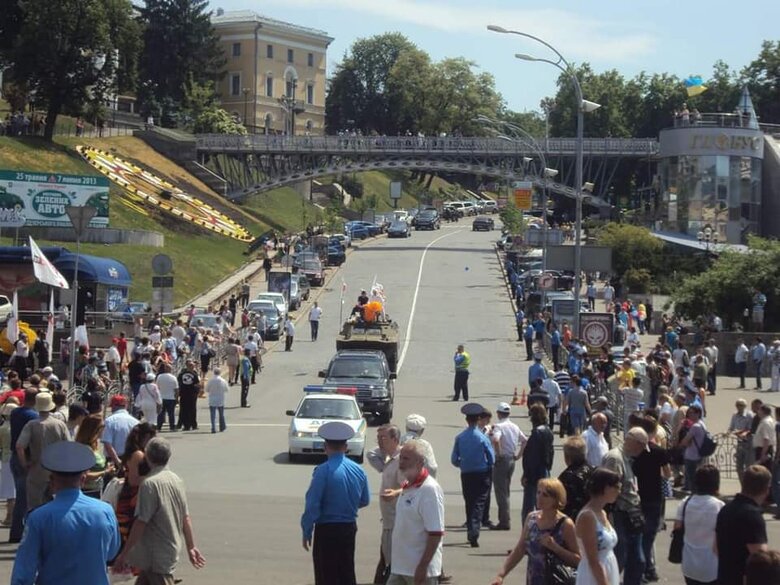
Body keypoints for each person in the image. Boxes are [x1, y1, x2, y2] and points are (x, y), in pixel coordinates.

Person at [10, 441, 120, 585]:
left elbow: (24, 571)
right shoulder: (105, 511)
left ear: (52, 481)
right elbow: (111, 552)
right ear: (83, 479)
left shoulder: (38, 518)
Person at [115, 437, 206, 583]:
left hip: (155, 556)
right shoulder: (176, 480)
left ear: (147, 456)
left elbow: (141, 522)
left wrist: (124, 554)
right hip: (166, 551)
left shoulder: (149, 484)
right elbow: (185, 517)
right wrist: (191, 546)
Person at [301, 421, 370, 585]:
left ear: (325, 446)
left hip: (327, 529)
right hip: (348, 527)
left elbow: (313, 504)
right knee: (346, 571)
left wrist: (307, 530)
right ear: (346, 447)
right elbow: (365, 500)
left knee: (326, 575)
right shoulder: (358, 470)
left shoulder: (323, 471)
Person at [490, 478, 580, 585]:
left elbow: (578, 560)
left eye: (545, 495)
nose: (539, 497)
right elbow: (520, 549)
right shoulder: (531, 518)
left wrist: (556, 547)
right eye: (538, 492)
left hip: (557, 580)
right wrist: (501, 575)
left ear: (556, 499)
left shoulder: (565, 524)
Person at [386, 440, 445, 585]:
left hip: (420, 572)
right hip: (400, 568)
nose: (401, 462)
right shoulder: (407, 486)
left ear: (420, 462)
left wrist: (423, 566)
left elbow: (435, 533)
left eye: (406, 458)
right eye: (401, 457)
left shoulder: (429, 489)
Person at [602, 426, 649, 585]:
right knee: (620, 558)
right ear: (634, 442)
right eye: (642, 445)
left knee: (637, 561)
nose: (643, 450)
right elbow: (608, 489)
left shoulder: (627, 458)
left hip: (632, 514)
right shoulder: (615, 459)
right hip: (620, 514)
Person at [715, 465, 771, 585]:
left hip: (724, 577)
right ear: (766, 490)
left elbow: (715, 548)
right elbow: (761, 559)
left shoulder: (725, 509)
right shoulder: (753, 516)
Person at [16, 392, 70, 512]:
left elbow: (19, 446)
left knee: (35, 507)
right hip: (57, 470)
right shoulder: (60, 424)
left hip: (37, 470)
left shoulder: (31, 425)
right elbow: (68, 446)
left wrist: (25, 463)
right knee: (57, 507)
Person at [451, 402, 494, 547]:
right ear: (478, 420)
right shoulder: (482, 437)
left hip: (466, 474)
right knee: (479, 502)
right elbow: (491, 457)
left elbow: (453, 459)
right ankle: (474, 532)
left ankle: (471, 528)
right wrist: (487, 466)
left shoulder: (460, 437)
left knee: (469, 502)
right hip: (482, 473)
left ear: (466, 420)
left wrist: (462, 464)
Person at [674, 464, 723, 585]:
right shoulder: (719, 506)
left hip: (689, 563)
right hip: (712, 565)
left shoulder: (685, 503)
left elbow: (677, 527)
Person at [366, 424, 403, 583]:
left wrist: (396, 493)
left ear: (395, 439)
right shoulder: (390, 458)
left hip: (397, 523)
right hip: (388, 521)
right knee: (386, 562)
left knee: (393, 564)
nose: (380, 442)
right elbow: (371, 453)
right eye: (378, 438)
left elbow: (409, 486)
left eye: (384, 438)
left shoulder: (401, 460)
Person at [574, 467, 621, 585]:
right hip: (594, 576)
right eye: (617, 487)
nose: (619, 491)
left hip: (608, 568)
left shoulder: (602, 512)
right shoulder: (587, 517)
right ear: (606, 488)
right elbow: (593, 560)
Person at [490, 402, 526, 531]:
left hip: (502, 460)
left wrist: (498, 454)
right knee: (506, 489)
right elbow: (524, 440)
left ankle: (504, 521)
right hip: (511, 458)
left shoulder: (498, 426)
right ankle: (505, 518)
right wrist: (518, 455)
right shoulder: (514, 426)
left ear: (499, 414)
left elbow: (495, 439)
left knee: (501, 491)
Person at [521, 404, 554, 523]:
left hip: (535, 473)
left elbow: (532, 457)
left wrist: (527, 474)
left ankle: (529, 530)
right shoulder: (548, 431)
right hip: (544, 469)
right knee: (543, 502)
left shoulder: (536, 433)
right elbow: (551, 452)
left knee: (529, 506)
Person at [74, 414, 113, 499]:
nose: (104, 430)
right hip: (87, 491)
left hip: (97, 489)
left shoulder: (95, 444)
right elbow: (85, 475)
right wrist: (105, 472)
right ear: (95, 430)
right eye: (102, 427)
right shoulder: (85, 449)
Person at [558, 436, 593, 521]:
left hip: (574, 521)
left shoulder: (566, 477)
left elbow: (560, 503)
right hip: (594, 518)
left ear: (567, 457)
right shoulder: (594, 471)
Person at [102, 395, 138, 468]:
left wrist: (117, 461)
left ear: (114, 406)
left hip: (113, 459)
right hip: (131, 458)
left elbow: (107, 443)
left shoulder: (109, 421)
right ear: (125, 406)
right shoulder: (135, 422)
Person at [0, 401, 18, 525]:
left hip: (5, 458)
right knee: (15, 488)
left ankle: (9, 517)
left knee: (9, 490)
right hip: (17, 457)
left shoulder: (2, 429)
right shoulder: (18, 427)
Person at [729, 398, 754, 481]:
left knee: (749, 466)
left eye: (741, 405)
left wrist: (742, 432)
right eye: (737, 405)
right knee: (739, 466)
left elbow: (750, 429)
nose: (739, 407)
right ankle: (743, 486)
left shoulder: (749, 415)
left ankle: (749, 486)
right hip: (739, 443)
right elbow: (731, 427)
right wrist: (727, 432)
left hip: (748, 443)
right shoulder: (734, 415)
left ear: (745, 406)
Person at [177, 360, 200, 431]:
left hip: (184, 393)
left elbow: (179, 383)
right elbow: (197, 384)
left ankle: (186, 425)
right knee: (192, 409)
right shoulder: (194, 374)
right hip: (191, 394)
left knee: (184, 409)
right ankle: (193, 425)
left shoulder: (182, 374)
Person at [155, 364, 178, 432]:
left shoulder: (159, 376)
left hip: (162, 397)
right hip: (171, 398)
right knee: (171, 413)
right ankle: (172, 427)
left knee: (161, 413)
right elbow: (176, 389)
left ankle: (159, 427)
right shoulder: (173, 377)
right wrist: (176, 398)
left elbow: (157, 387)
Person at [206, 367, 228, 434]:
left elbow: (207, 389)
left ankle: (213, 427)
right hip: (220, 399)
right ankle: (222, 426)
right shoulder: (223, 381)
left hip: (212, 399)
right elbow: (226, 389)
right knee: (221, 414)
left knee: (213, 415)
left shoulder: (210, 380)